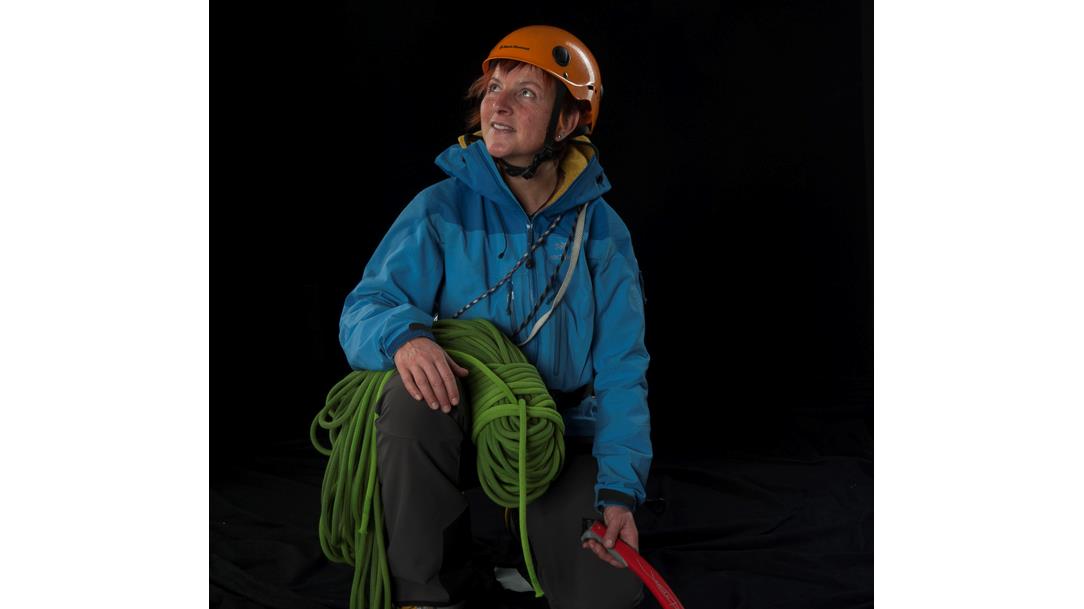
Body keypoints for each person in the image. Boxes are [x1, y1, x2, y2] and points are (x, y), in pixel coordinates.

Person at [338, 25, 650, 609]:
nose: (497, 105)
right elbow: (366, 307)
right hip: (457, 425)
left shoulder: (603, 233)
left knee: (604, 594)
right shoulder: (440, 208)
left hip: (555, 438)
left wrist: (619, 493)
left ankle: (524, 528)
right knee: (411, 395)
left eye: (526, 93)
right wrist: (405, 339)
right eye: (493, 88)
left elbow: (622, 371)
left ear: (567, 122)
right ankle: (427, 589)